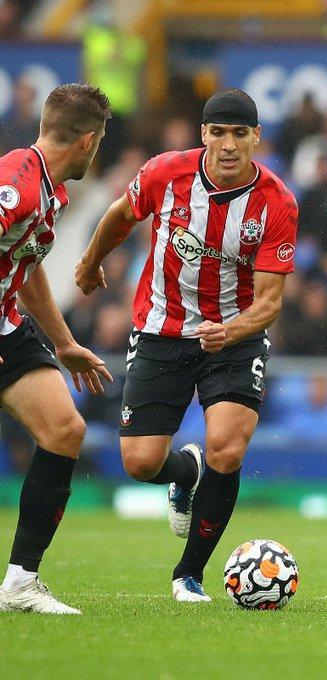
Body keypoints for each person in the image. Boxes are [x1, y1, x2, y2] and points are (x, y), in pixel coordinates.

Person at [75, 89, 298, 603]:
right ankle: (186, 470)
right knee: (140, 463)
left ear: (255, 138)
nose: (228, 145)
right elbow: (119, 215)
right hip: (160, 329)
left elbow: (270, 302)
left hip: (234, 337)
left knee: (229, 445)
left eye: (239, 134)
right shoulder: (165, 173)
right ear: (203, 135)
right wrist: (89, 262)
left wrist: (234, 329)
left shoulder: (277, 202)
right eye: (218, 132)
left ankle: (188, 575)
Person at [0, 83, 113, 615]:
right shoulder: (18, 180)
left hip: (8, 326)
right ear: (89, 141)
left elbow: (25, 266)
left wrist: (64, 342)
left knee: (64, 430)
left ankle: (21, 583)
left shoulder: (51, 191)